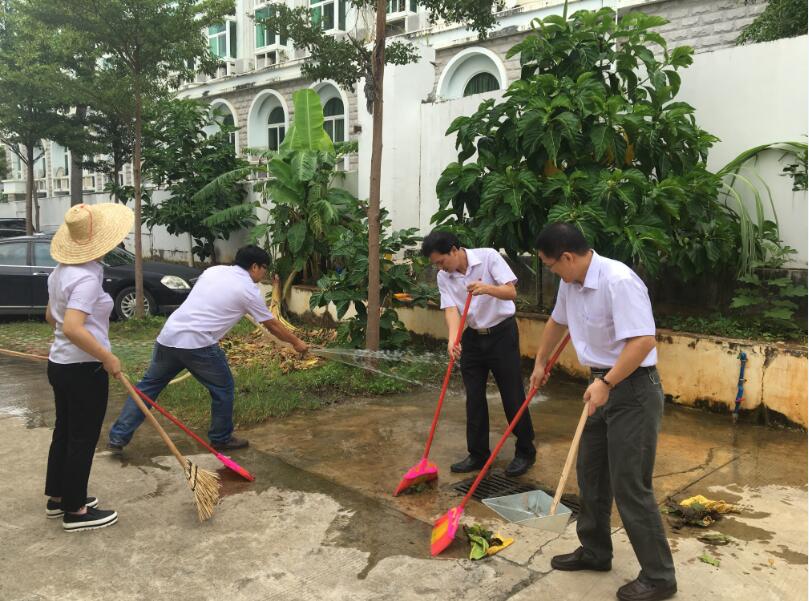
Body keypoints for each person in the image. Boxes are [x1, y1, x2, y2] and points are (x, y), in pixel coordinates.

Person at [530, 223, 676, 601]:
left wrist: (607, 382)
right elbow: (557, 320)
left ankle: (659, 577)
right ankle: (595, 551)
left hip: (632, 389)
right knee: (591, 472)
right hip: (600, 386)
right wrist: (540, 362)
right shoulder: (571, 283)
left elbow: (643, 341)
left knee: (630, 483)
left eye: (551, 265)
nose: (551, 272)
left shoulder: (618, 281)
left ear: (567, 257)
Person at [108, 244, 308, 452]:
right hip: (198, 344)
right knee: (223, 388)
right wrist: (297, 343)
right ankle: (221, 438)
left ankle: (118, 437)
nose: (264, 273)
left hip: (169, 336)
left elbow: (209, 301)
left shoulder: (213, 271)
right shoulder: (249, 290)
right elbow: (272, 325)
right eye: (264, 268)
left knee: (147, 389)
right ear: (255, 266)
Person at [45, 203, 133, 531]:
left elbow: (51, 316)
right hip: (83, 369)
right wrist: (107, 357)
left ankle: (59, 497)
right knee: (82, 437)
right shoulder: (85, 278)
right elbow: (71, 327)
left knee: (65, 432)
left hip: (61, 364)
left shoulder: (60, 272)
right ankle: (76, 510)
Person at [421, 230, 536, 477]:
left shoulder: (488, 257)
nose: (440, 268)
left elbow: (511, 292)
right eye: (436, 264)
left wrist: (487, 288)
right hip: (472, 337)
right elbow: (451, 309)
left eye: (441, 261)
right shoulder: (444, 277)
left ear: (454, 250)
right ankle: (478, 454)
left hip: (502, 334)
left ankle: (525, 451)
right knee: (473, 397)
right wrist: (453, 339)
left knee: (512, 394)